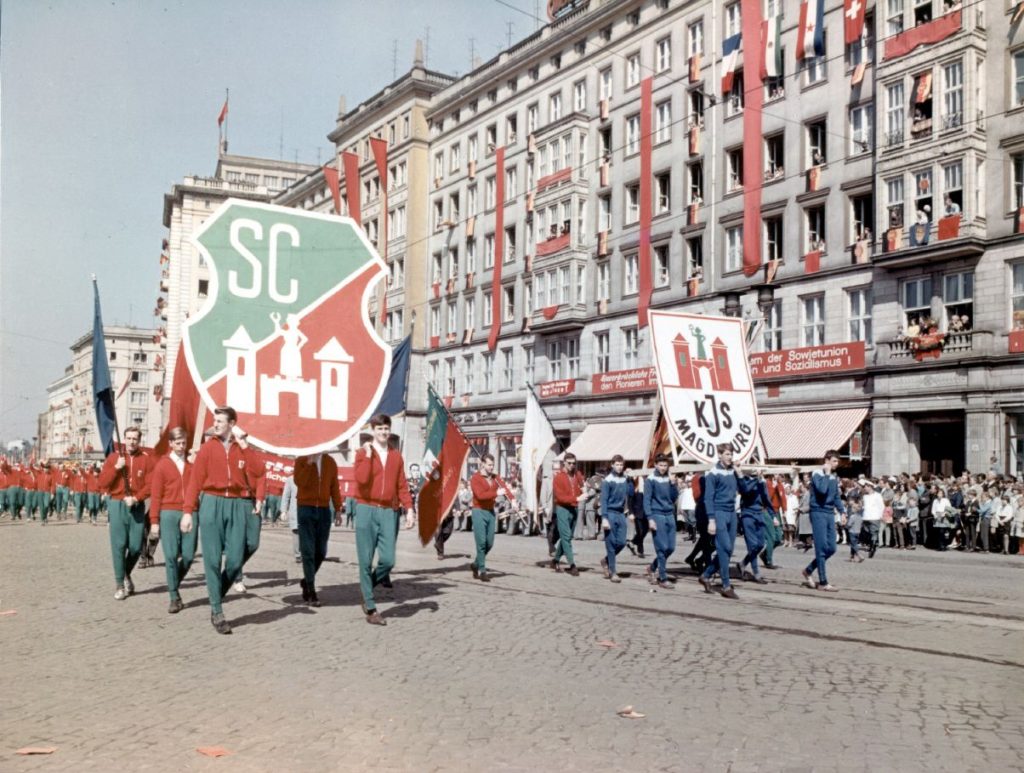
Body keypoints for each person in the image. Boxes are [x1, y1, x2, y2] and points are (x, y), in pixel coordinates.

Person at [183, 406, 263, 635]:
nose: (215, 424)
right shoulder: (207, 449)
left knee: (236, 560)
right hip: (212, 503)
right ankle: (217, 611)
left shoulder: (242, 449)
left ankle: (216, 595)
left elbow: (258, 471)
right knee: (212, 558)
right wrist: (188, 511)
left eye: (220, 421)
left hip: (237, 504)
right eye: (214, 420)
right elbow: (195, 482)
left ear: (232, 423)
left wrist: (245, 445)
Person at [352, 413, 415, 626]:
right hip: (366, 508)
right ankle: (370, 607)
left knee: (388, 560)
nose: (383, 432)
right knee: (365, 559)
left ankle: (367, 586)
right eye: (379, 429)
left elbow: (401, 485)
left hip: (389, 511)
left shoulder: (396, 456)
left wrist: (410, 509)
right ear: (373, 430)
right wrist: (369, 456)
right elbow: (361, 480)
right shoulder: (362, 453)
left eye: (386, 428)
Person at [98, 427, 155, 599]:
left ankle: (126, 573)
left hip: (136, 506)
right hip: (117, 504)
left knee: (136, 546)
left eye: (135, 439)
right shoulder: (114, 457)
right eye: (128, 438)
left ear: (139, 441)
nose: (131, 442)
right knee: (119, 546)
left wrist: (137, 498)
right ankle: (119, 585)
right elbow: (103, 483)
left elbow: (151, 485)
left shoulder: (146, 460)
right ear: (124, 439)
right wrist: (116, 467)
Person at [149, 427, 195, 614]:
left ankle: (173, 581)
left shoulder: (192, 465)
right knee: (170, 556)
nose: (181, 446)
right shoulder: (162, 465)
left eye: (184, 443)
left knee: (189, 555)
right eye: (177, 443)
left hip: (190, 512)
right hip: (168, 512)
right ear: (170, 444)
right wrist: (154, 521)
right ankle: (174, 597)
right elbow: (156, 495)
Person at [294, 451, 342, 607]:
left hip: (323, 509)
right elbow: (299, 482)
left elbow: (334, 485)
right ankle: (311, 590)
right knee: (307, 551)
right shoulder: (301, 459)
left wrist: (338, 508)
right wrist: (309, 462)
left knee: (321, 551)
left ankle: (306, 580)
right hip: (305, 508)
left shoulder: (331, 462)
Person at [699, 444, 741, 599]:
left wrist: (740, 472)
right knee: (724, 547)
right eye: (728, 454)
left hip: (732, 513)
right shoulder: (713, 473)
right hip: (719, 512)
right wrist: (711, 519)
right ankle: (726, 585)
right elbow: (708, 498)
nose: (730, 457)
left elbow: (743, 488)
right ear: (720, 455)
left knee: (728, 550)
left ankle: (706, 575)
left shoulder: (732, 471)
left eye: (731, 454)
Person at [801, 451, 845, 592]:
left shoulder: (833, 476)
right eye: (833, 461)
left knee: (831, 548)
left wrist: (842, 511)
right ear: (826, 460)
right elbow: (821, 490)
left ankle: (808, 570)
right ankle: (823, 582)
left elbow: (836, 496)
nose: (836, 464)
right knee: (820, 548)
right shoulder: (818, 473)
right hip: (818, 512)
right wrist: (826, 474)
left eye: (837, 461)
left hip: (829, 513)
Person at [643, 454, 679, 588]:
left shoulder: (670, 478)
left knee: (671, 548)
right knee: (662, 548)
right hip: (657, 515)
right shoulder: (650, 480)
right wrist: (650, 519)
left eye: (665, 465)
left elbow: (674, 497)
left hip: (669, 514)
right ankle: (662, 578)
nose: (663, 468)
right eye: (661, 465)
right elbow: (646, 501)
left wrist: (673, 484)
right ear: (656, 465)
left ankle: (652, 567)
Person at [550, 452, 586, 576]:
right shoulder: (558, 477)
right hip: (563, 509)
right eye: (569, 463)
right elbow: (560, 497)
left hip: (574, 509)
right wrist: (577, 499)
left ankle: (555, 560)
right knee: (565, 537)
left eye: (574, 463)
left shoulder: (577, 474)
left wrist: (585, 489)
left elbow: (583, 485)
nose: (572, 465)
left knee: (567, 537)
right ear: (564, 463)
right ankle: (572, 565)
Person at [736, 470, 775, 584]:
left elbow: (765, 497)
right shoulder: (743, 480)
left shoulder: (760, 481)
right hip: (748, 514)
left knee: (761, 544)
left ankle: (743, 563)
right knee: (752, 546)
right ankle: (756, 573)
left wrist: (773, 515)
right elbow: (745, 490)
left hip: (759, 514)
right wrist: (756, 479)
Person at [599, 455, 631, 583]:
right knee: (611, 544)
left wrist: (631, 480)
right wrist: (604, 518)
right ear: (612, 465)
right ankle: (613, 572)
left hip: (621, 513)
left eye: (621, 465)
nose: (619, 467)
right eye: (617, 464)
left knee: (622, 542)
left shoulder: (625, 478)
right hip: (610, 513)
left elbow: (631, 493)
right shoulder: (607, 480)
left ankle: (606, 561)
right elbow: (604, 500)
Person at [469, 453, 500, 581]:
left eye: (493, 465)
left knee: (490, 543)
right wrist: (496, 493)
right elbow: (480, 496)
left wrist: (513, 500)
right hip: (478, 511)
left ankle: (475, 564)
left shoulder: (495, 477)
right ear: (482, 464)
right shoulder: (475, 478)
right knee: (481, 542)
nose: (491, 467)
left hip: (490, 511)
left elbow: (504, 487)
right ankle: (482, 570)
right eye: (489, 465)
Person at [280, 471, 301, 564]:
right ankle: (298, 555)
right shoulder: (290, 480)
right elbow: (286, 496)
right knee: (296, 532)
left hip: (309, 510)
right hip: (295, 510)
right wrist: (283, 510)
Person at [862, 481, 884, 558]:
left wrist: (881, 515)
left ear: (870, 487)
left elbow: (881, 506)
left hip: (875, 516)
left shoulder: (877, 495)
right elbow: (863, 506)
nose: (865, 488)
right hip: (866, 516)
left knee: (874, 532)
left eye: (866, 486)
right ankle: (871, 544)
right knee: (867, 532)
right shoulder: (865, 496)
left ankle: (873, 547)